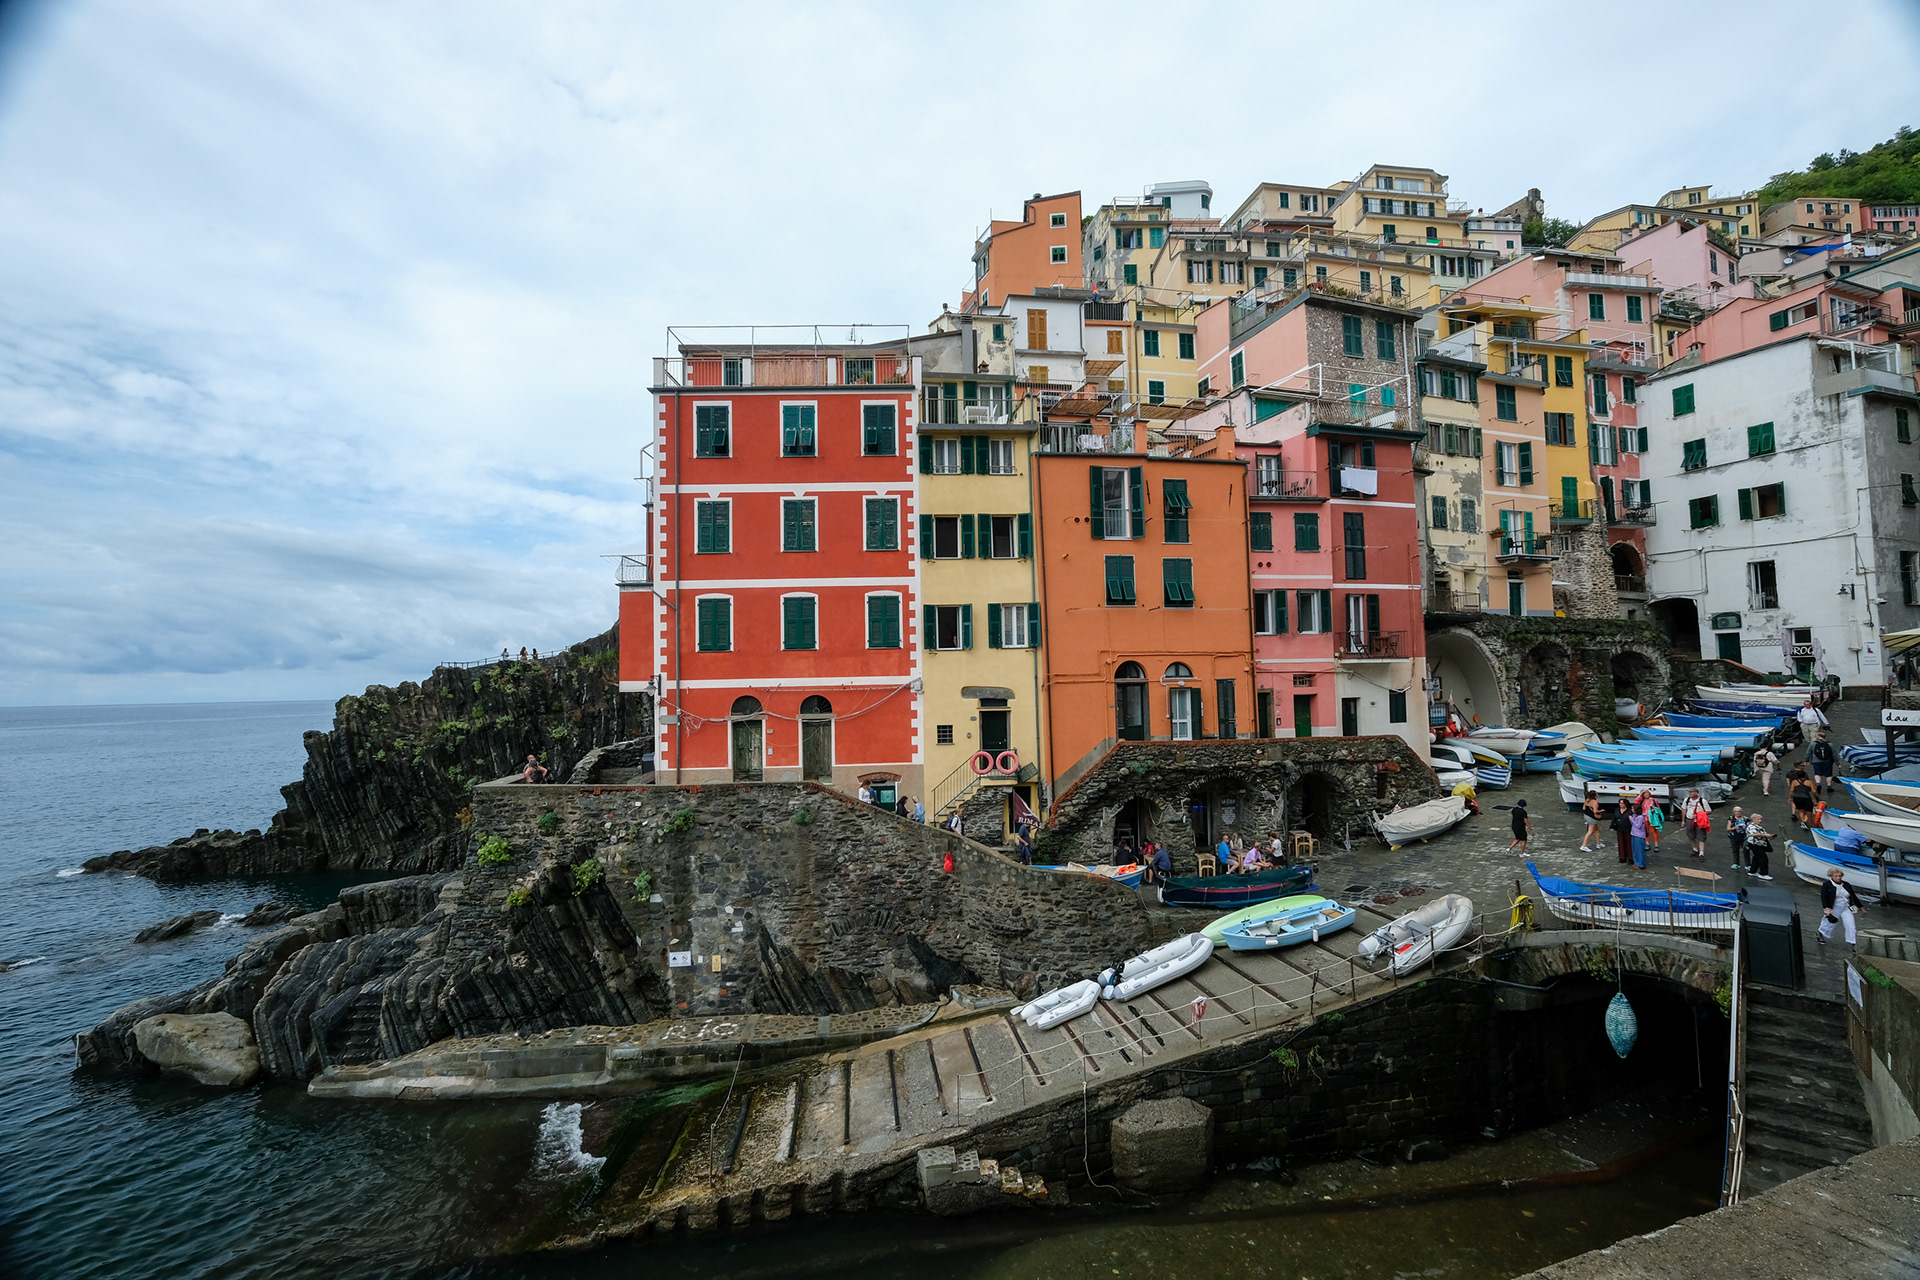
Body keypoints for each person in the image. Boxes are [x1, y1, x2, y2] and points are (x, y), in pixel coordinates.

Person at [1818, 867, 1859, 947]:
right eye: (1836, 876)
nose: (1838, 878)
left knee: (1850, 925)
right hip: (1834, 906)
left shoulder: (1846, 884)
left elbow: (1853, 896)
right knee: (1829, 924)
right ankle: (1820, 933)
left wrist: (1861, 907)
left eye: (1840, 876)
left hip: (1845, 907)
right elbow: (1824, 897)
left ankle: (1853, 943)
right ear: (1831, 876)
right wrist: (1827, 908)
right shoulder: (1827, 885)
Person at [1807, 730, 1837, 796]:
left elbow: (1808, 752)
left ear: (1818, 736)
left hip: (1816, 761)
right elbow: (1834, 754)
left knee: (1817, 773)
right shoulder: (1830, 744)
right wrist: (1837, 763)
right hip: (1828, 761)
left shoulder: (1813, 744)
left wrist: (1806, 760)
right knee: (1828, 774)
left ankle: (1818, 784)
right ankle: (1829, 786)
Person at [1684, 790, 1711, 859]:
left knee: (1701, 836)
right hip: (1689, 819)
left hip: (1699, 821)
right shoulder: (1687, 800)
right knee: (1690, 835)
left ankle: (1701, 853)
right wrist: (1683, 820)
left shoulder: (1703, 801)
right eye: (1690, 792)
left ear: (1697, 793)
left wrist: (1699, 815)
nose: (1690, 794)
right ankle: (1695, 849)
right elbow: (1684, 810)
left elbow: (1709, 811)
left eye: (1692, 792)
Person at [1628, 804, 1649, 870]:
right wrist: (1633, 818)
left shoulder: (1640, 817)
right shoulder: (1635, 816)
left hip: (1639, 836)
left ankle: (1641, 864)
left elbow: (1638, 826)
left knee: (1639, 850)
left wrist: (1631, 819)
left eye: (1632, 808)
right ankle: (1637, 862)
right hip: (1634, 834)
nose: (1631, 810)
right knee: (1635, 850)